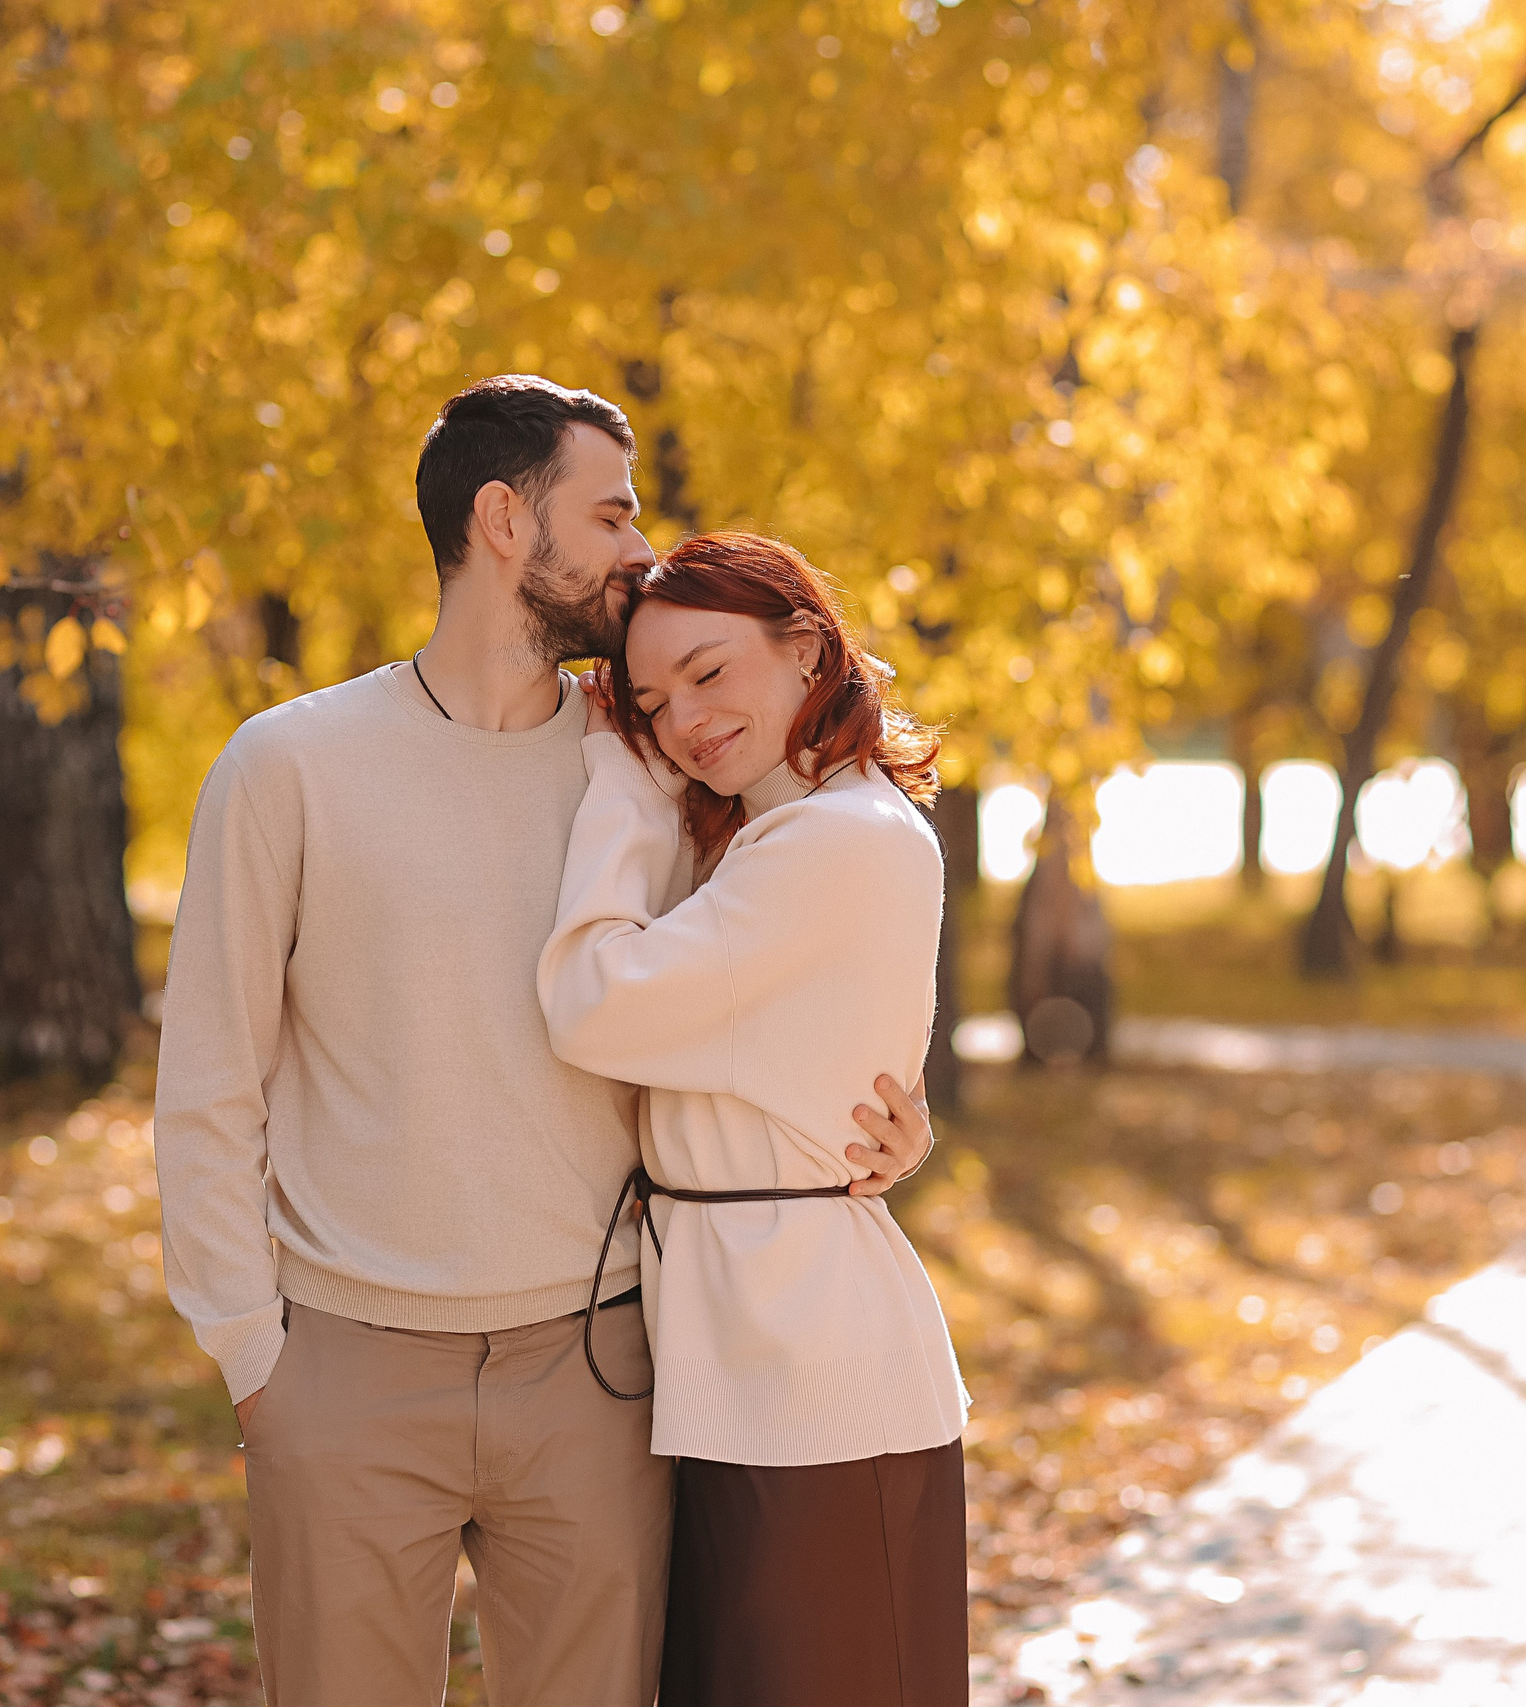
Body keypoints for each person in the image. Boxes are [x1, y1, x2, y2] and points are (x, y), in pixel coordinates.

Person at [153, 377, 937, 1706]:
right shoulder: (289, 762)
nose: (640, 549)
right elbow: (210, 1078)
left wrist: (882, 1109)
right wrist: (249, 1351)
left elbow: (777, 970)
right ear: (506, 520)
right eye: (613, 512)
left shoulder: (665, 759)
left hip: (603, 1368)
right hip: (345, 1363)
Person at [539, 530, 973, 1706]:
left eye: (709, 673)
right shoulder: (786, 828)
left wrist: (625, 786)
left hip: (814, 1377)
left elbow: (591, 1005)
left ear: (804, 646)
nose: (682, 718)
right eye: (649, 702)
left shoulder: (833, 843)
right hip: (749, 1357)